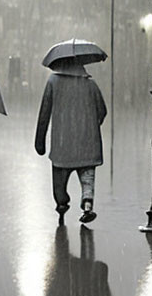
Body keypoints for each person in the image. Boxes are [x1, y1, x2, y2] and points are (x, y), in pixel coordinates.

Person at [35, 56, 107, 224]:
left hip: (62, 144)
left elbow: (44, 113)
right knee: (87, 177)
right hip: (87, 144)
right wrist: (91, 125)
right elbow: (102, 111)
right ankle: (87, 203)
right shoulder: (91, 84)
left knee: (59, 180)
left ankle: (61, 205)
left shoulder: (53, 81)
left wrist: (40, 141)